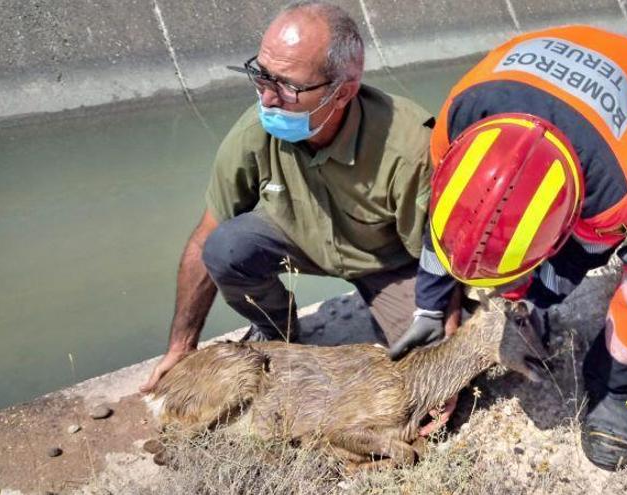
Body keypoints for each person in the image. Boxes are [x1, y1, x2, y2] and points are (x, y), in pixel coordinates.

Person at [388, 25, 627, 470]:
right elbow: (447, 222)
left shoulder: (612, 189)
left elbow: (570, 263)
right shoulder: (459, 119)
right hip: (557, 75)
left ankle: (618, 386)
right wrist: (430, 307)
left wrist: (527, 302)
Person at [141, 1, 440, 394]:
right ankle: (277, 327)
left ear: (343, 91)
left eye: (288, 86)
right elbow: (203, 239)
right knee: (225, 247)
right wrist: (181, 347)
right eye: (262, 77)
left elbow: (439, 251)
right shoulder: (253, 132)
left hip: (385, 262)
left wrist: (437, 322)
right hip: (299, 242)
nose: (267, 99)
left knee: (427, 371)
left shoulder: (410, 147)